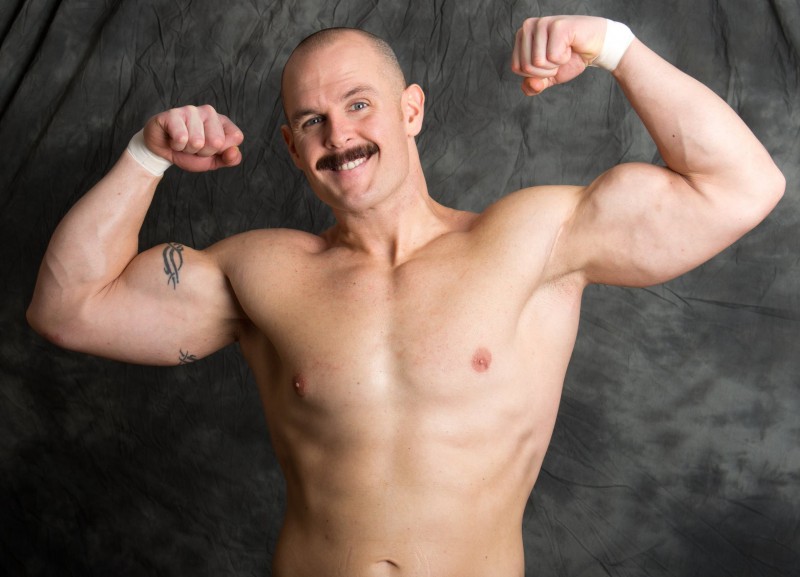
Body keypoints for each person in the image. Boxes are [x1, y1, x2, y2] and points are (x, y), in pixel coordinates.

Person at [27, 14, 784, 577]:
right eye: (312, 120)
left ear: (412, 111)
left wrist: (616, 47)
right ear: (292, 148)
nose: (338, 133)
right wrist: (146, 157)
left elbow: (741, 186)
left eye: (359, 104)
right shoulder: (260, 272)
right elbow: (68, 310)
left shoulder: (533, 240)